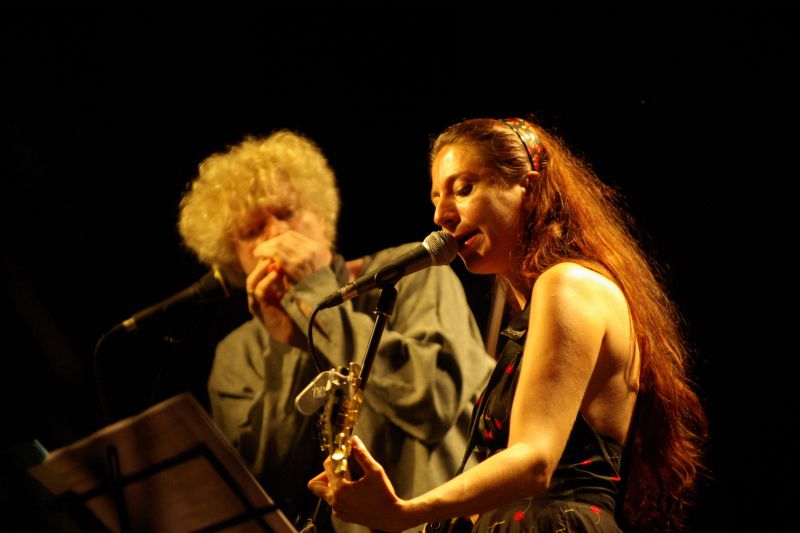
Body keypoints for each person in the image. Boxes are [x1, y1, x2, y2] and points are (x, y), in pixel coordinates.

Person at [309, 117, 708, 532]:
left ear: (529, 189)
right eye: (436, 198)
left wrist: (404, 512)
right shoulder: (538, 306)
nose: (442, 215)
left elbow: (534, 460)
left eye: (464, 189)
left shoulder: (567, 284)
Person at [177, 130, 495, 532]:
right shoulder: (237, 353)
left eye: (287, 213)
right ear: (234, 258)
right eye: (253, 231)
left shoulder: (413, 276)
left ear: (321, 215)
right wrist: (290, 348)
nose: (276, 234)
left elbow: (433, 402)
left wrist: (317, 301)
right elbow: (267, 487)